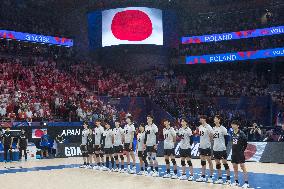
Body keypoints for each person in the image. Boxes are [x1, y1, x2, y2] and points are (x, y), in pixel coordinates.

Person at [230, 120, 250, 188]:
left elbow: (245, 143)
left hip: (240, 153)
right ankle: (236, 182)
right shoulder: (232, 133)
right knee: (235, 167)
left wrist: (242, 150)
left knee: (242, 166)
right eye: (232, 124)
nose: (233, 126)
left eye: (234, 124)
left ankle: (246, 183)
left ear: (238, 126)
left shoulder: (241, 133)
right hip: (234, 153)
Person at [212, 115, 231, 184]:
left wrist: (224, 146)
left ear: (219, 120)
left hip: (222, 149)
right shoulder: (213, 128)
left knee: (225, 163)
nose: (214, 119)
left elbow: (227, 139)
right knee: (217, 163)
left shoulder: (223, 129)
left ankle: (228, 179)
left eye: (216, 118)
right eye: (214, 118)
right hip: (215, 149)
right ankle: (220, 178)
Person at [196, 115, 214, 183]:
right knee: (202, 161)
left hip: (207, 147)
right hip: (201, 146)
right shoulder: (200, 127)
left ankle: (211, 177)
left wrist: (209, 142)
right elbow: (199, 135)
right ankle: (203, 176)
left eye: (201, 119)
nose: (200, 120)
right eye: (200, 118)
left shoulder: (208, 127)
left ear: (204, 119)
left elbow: (212, 135)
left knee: (209, 161)